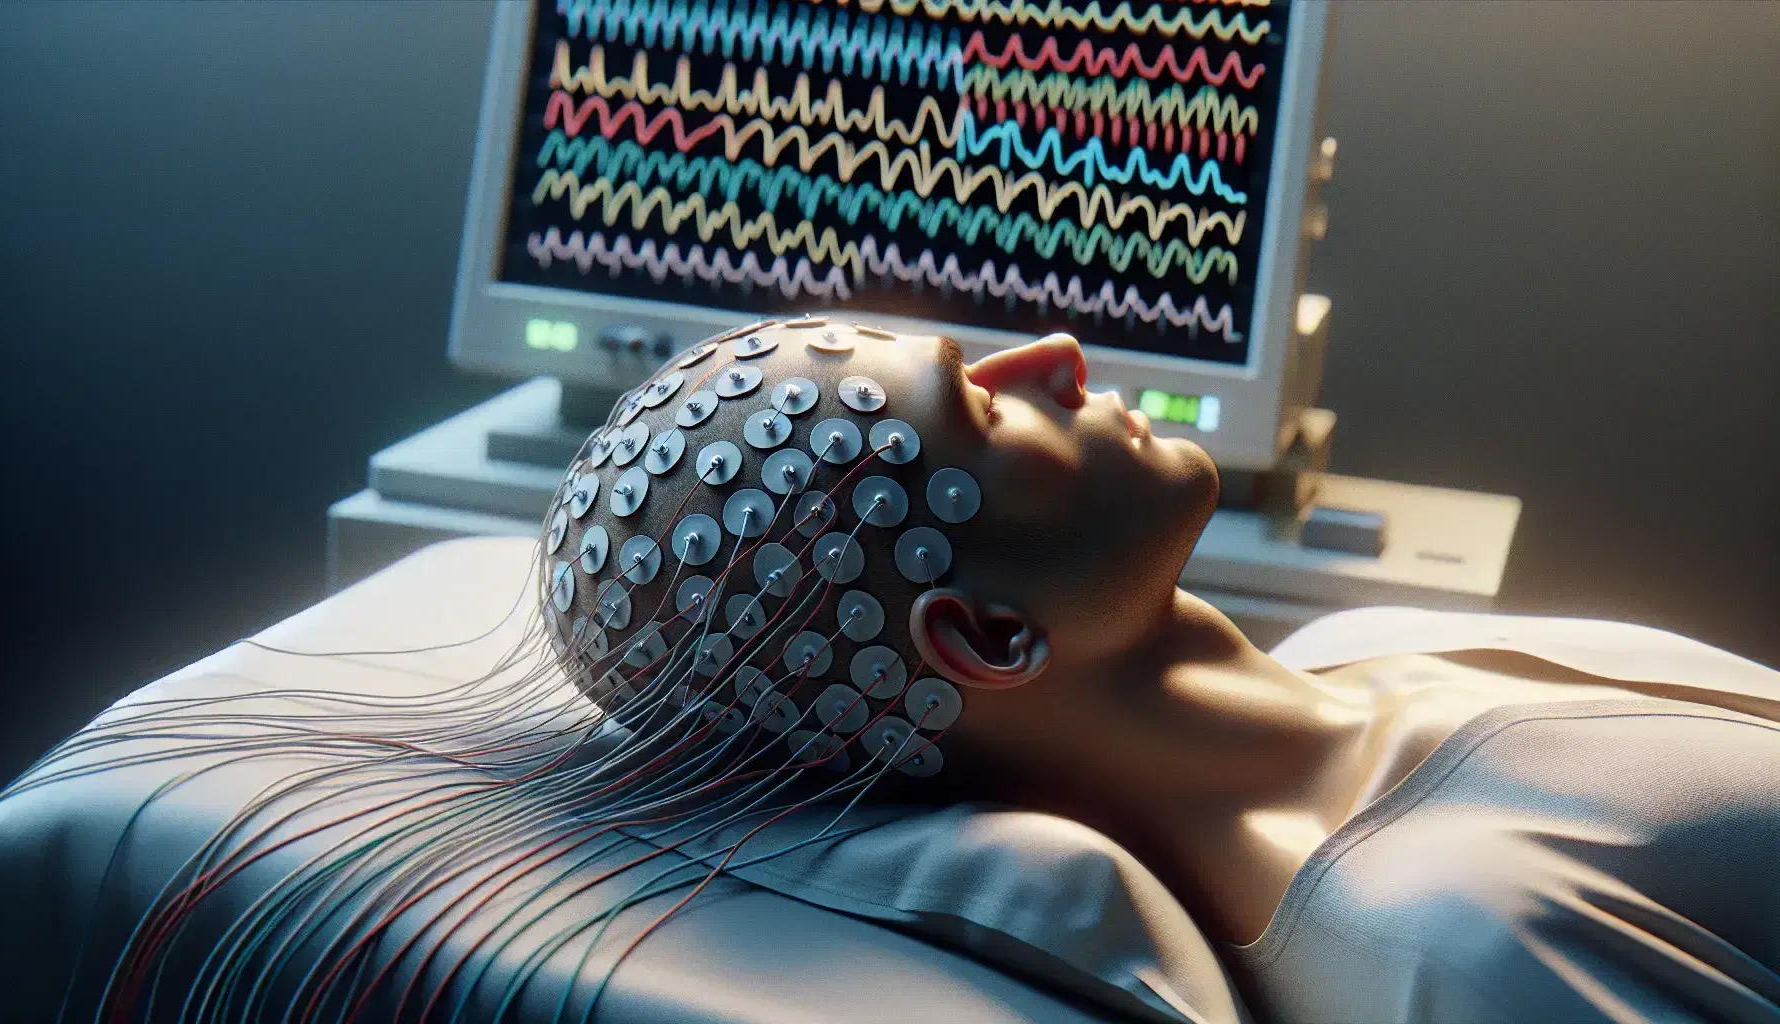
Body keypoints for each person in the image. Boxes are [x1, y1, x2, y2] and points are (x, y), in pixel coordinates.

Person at [540, 319, 1780, 1023]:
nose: (1057, 355)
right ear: (984, 638)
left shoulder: (1367, 647)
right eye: (981, 404)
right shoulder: (1452, 942)